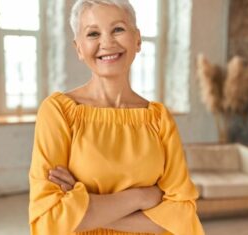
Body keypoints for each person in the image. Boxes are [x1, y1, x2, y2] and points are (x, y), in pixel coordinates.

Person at [28, 0, 204, 234]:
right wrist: (142, 197)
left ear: (138, 39)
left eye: (118, 29)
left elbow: (183, 217)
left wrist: (83, 206)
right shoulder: (59, 112)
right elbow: (48, 219)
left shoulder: (159, 119)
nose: (107, 43)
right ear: (79, 48)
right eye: (93, 33)